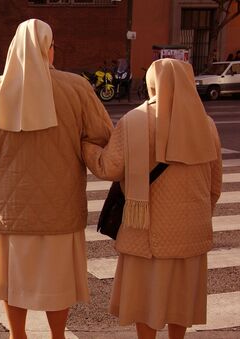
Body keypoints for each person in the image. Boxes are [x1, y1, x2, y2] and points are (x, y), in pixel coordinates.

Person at [0, 19, 113, 339]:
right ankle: (57, 335)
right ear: (48, 49)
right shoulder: (76, 87)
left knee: (13, 279)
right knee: (56, 279)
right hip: (61, 206)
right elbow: (103, 136)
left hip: (10, 208)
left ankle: (17, 334)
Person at [82, 59, 222, 339]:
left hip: (145, 231)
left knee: (145, 300)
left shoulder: (135, 121)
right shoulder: (206, 125)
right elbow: (214, 186)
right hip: (191, 232)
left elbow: (109, 168)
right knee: (180, 298)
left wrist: (87, 147)